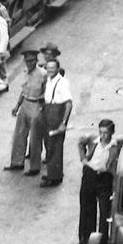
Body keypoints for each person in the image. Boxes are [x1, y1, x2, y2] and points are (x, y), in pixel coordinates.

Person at [76, 119, 119, 244]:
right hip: (90, 176)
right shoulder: (94, 140)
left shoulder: (115, 146)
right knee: (87, 209)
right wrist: (83, 159)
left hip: (104, 179)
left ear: (112, 132)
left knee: (104, 212)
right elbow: (81, 141)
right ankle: (85, 241)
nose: (103, 136)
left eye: (106, 133)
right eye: (101, 132)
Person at [5, 50, 46, 175]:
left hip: (36, 105)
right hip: (25, 105)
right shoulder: (25, 73)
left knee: (35, 138)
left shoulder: (43, 74)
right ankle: (17, 163)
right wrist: (17, 105)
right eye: (27, 61)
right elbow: (23, 91)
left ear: (36, 61)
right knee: (19, 134)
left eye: (32, 60)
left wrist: (42, 105)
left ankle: (34, 167)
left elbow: (47, 92)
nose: (30, 63)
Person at [41, 58, 72, 187]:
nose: (50, 70)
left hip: (56, 113)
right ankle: (53, 172)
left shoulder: (62, 82)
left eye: (52, 68)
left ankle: (54, 177)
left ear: (58, 69)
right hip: (48, 111)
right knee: (49, 144)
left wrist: (63, 122)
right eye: (48, 68)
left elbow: (69, 104)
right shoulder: (49, 79)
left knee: (55, 145)